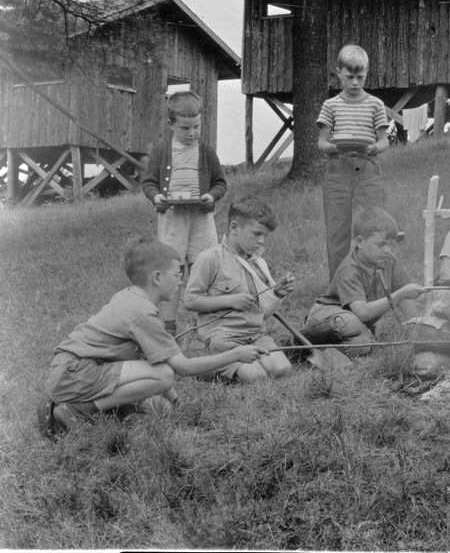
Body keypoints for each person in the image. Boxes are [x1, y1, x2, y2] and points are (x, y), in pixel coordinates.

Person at [37, 236, 267, 437]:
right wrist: (236, 354)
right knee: (164, 376)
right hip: (75, 373)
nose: (181, 281)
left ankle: (108, 409)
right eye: (177, 274)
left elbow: (153, 359)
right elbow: (181, 368)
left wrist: (177, 405)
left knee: (161, 408)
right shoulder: (143, 313)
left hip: (73, 370)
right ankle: (77, 411)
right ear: (157, 277)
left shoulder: (132, 297)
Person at [181, 196, 296, 383]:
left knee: (282, 369)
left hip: (255, 335)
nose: (262, 242)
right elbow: (190, 301)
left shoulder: (258, 263)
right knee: (256, 377)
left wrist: (277, 293)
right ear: (235, 228)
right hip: (223, 337)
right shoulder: (210, 258)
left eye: (265, 236)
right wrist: (230, 300)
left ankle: (244, 364)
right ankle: (206, 363)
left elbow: (264, 313)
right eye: (257, 234)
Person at [140, 90, 228, 334]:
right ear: (171, 125)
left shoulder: (207, 152)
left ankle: (210, 326)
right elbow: (149, 183)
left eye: (196, 127)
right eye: (185, 128)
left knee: (205, 266)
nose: (192, 134)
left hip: (201, 218)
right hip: (172, 219)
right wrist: (156, 196)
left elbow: (220, 183)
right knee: (172, 269)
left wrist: (212, 196)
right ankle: (169, 327)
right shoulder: (161, 151)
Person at [302, 207, 423, 355]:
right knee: (350, 323)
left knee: (364, 344)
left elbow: (407, 301)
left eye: (391, 244)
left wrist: (416, 330)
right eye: (381, 244)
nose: (387, 250)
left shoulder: (389, 260)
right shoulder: (350, 269)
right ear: (360, 242)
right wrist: (400, 294)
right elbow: (363, 313)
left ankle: (319, 351)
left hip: (356, 323)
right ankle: (303, 340)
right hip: (327, 316)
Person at [317, 44, 390, 280]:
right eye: (349, 77)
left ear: (367, 73)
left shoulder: (375, 104)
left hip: (367, 170)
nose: (355, 83)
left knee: (371, 227)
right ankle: (338, 285)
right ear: (338, 73)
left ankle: (371, 279)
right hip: (338, 171)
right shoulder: (331, 105)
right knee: (337, 231)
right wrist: (338, 147)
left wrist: (372, 147)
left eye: (360, 77)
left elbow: (383, 142)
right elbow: (322, 143)